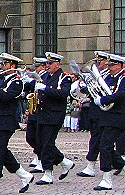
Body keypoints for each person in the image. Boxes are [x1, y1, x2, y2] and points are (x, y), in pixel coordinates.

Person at [0, 54, 34, 195]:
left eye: (4, 64)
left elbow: (5, 97)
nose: (1, 66)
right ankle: (24, 175)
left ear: (12, 66)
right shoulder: (4, 80)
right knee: (0, 150)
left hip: (6, 121)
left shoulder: (16, 82)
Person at [34, 52, 75, 185]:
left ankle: (48, 172)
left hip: (54, 115)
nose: (47, 66)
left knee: (47, 143)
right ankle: (64, 162)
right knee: (40, 142)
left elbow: (63, 94)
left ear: (57, 64)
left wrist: (45, 89)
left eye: (50, 63)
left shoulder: (64, 78)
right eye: (46, 63)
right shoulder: (45, 76)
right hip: (42, 113)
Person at [93, 53, 125, 190]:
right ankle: (120, 163)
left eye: (111, 65)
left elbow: (121, 94)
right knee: (105, 145)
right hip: (106, 116)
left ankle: (106, 178)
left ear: (119, 65)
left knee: (105, 146)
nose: (109, 68)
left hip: (118, 116)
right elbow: (99, 88)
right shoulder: (109, 77)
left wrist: (103, 100)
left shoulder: (123, 78)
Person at [77, 51, 109, 178]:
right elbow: (91, 92)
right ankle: (119, 162)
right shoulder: (98, 75)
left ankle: (91, 165)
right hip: (95, 111)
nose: (96, 64)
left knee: (98, 140)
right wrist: (86, 86)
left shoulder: (107, 76)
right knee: (100, 140)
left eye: (98, 62)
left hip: (104, 112)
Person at [23, 57, 49, 171]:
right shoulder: (36, 78)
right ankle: (40, 155)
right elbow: (28, 90)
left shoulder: (46, 77)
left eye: (38, 67)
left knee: (40, 138)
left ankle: (40, 158)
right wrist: (26, 81)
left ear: (43, 66)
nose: (36, 69)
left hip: (42, 110)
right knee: (30, 137)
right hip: (34, 109)